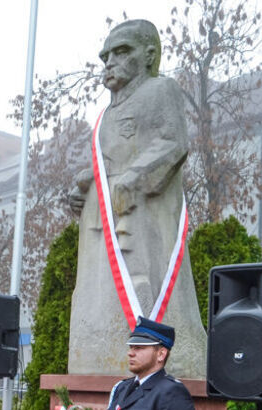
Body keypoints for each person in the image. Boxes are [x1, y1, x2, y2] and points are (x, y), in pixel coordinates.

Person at [67, 19, 206, 379]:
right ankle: (98, 353)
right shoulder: (107, 113)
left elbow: (173, 143)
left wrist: (133, 178)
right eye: (105, 55)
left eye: (121, 51)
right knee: (99, 289)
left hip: (142, 213)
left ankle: (161, 355)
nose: (109, 61)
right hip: (105, 216)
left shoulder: (161, 90)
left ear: (148, 54)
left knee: (142, 283)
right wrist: (87, 185)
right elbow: (109, 162)